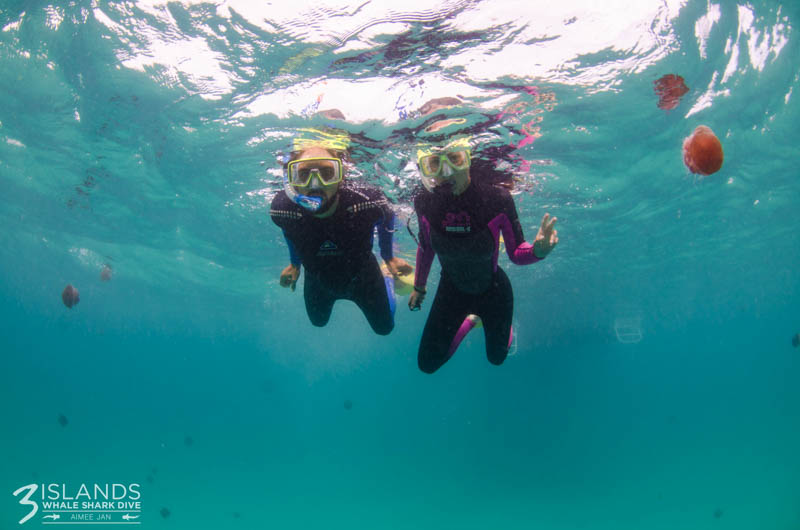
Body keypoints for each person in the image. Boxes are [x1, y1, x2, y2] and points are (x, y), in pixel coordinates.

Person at [408, 136, 558, 373]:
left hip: (493, 290)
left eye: (454, 160)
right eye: (435, 163)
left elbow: (517, 253)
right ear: (426, 169)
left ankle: (502, 326)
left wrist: (538, 251)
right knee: (426, 364)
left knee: (496, 358)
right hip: (451, 291)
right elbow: (426, 246)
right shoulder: (424, 202)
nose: (446, 172)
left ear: (468, 161)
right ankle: (470, 322)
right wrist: (419, 287)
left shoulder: (496, 199)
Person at [270, 134, 412, 335]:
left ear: (342, 175)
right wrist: (295, 264)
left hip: (365, 278)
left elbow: (387, 216)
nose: (315, 184)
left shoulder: (366, 201)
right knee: (318, 322)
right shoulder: (282, 208)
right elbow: (289, 227)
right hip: (318, 282)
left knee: (385, 328)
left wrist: (389, 256)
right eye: (303, 174)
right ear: (291, 180)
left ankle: (387, 278)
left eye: (327, 173)